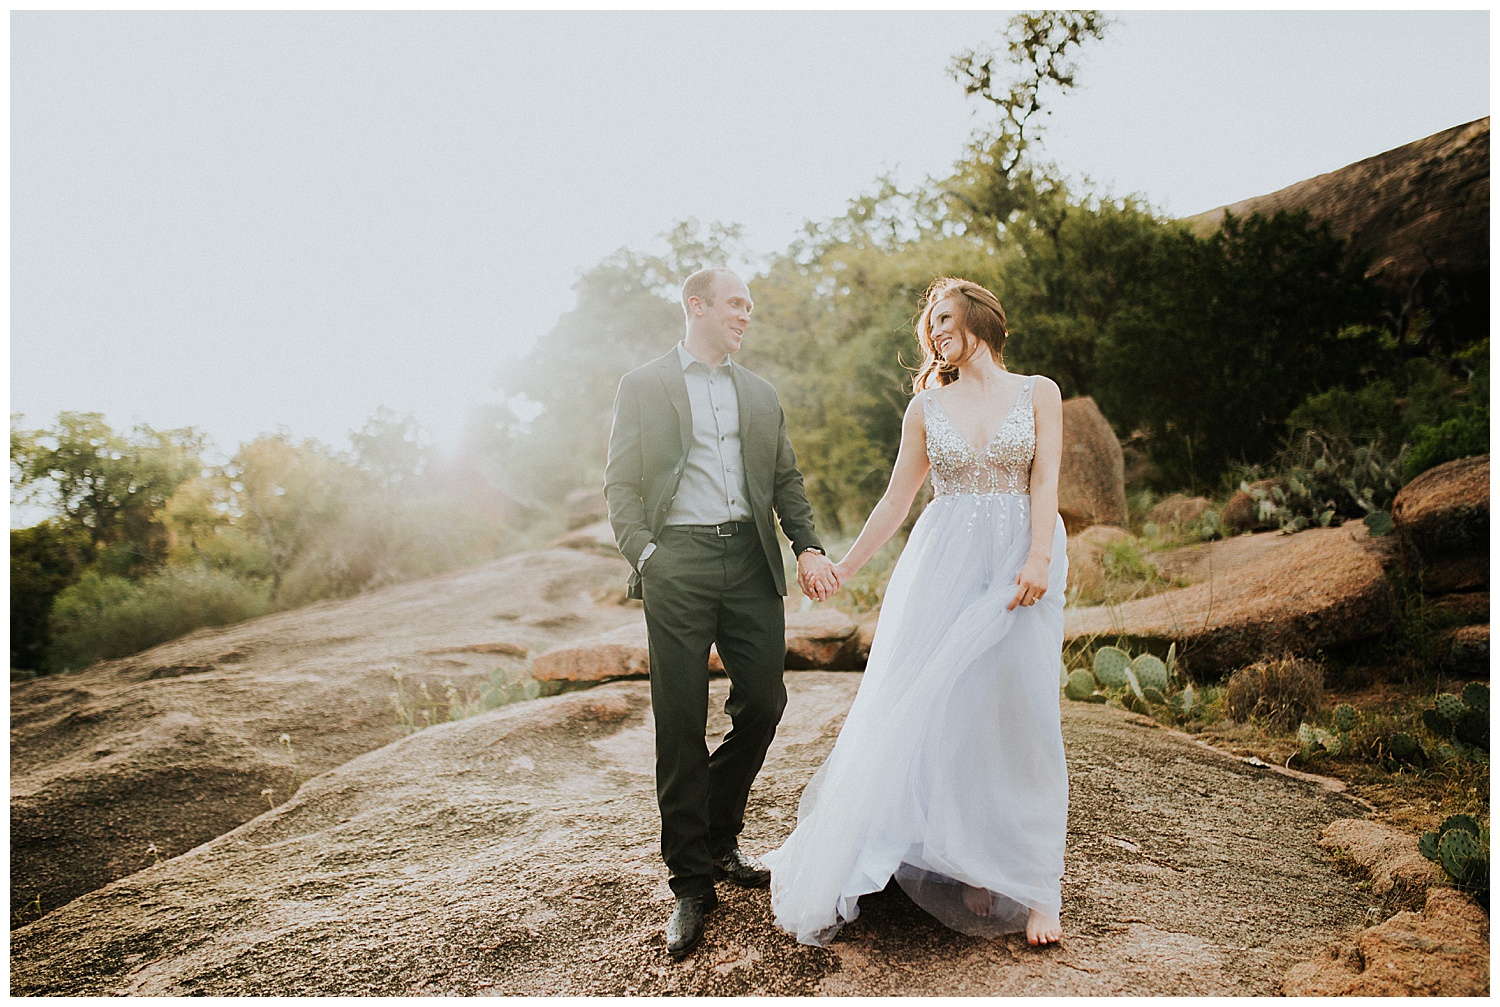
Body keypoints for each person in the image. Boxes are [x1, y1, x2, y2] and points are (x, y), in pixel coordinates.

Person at [761, 276, 1069, 948]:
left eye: (945, 316)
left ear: (981, 317)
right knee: (949, 705)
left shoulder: (1039, 392)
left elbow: (1045, 478)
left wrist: (1039, 557)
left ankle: (1040, 884)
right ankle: (970, 860)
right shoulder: (926, 408)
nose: (935, 330)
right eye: (929, 322)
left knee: (1022, 708)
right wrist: (846, 563)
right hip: (946, 564)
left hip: (1023, 555)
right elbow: (896, 501)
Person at [604, 266, 840, 959]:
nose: (746, 314)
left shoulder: (761, 394)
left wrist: (808, 545)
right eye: (736, 303)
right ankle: (691, 881)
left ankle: (715, 827)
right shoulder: (643, 385)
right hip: (676, 560)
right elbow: (619, 482)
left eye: (749, 305)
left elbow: (786, 479)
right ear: (696, 306)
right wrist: (648, 556)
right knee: (679, 716)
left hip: (749, 560)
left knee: (764, 700)